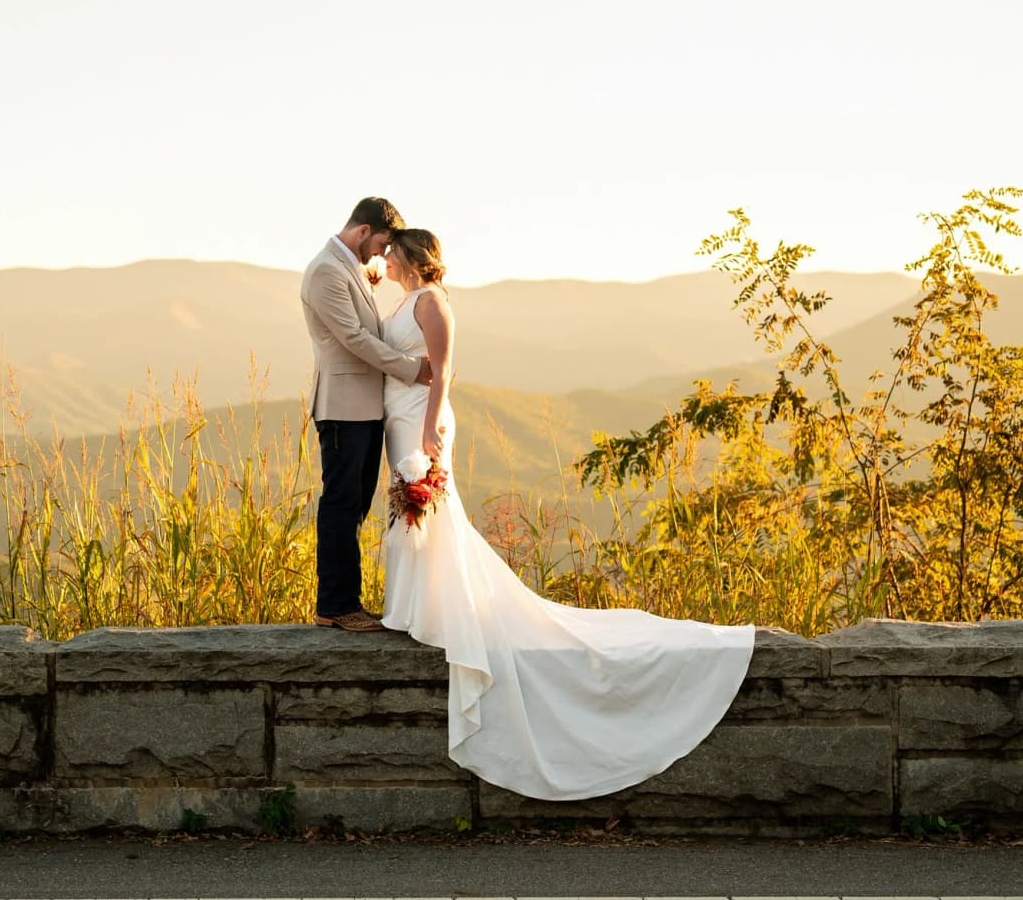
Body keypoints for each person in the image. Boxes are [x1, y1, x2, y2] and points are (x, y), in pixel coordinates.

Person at [377, 227, 758, 802]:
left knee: (430, 511)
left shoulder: (433, 302)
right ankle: (419, 604)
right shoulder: (402, 298)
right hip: (397, 416)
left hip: (421, 419)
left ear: (412, 256)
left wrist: (431, 424)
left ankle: (434, 609)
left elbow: (443, 367)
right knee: (414, 513)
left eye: (392, 252)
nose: (386, 259)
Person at [298, 197, 435, 632]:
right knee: (340, 503)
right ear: (362, 232)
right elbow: (354, 338)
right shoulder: (325, 272)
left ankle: (345, 601)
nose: (381, 254)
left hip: (366, 409)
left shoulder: (350, 269)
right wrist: (413, 369)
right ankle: (336, 606)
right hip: (342, 408)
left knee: (354, 504)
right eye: (380, 244)